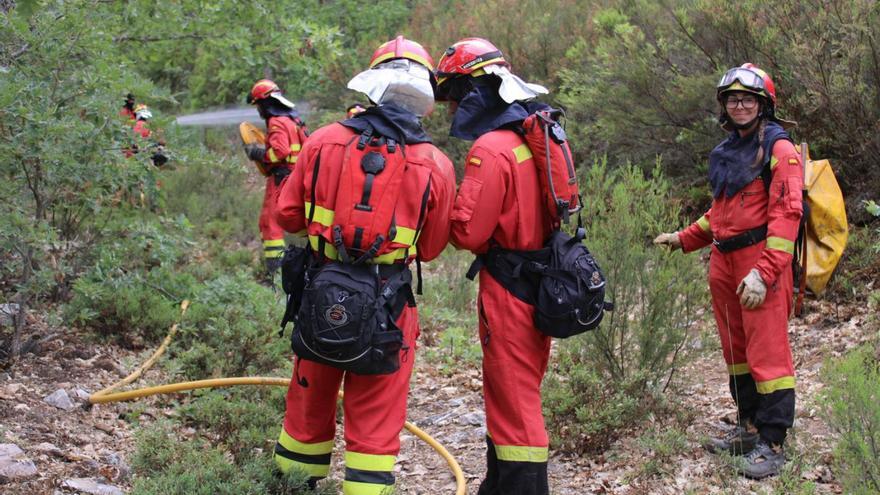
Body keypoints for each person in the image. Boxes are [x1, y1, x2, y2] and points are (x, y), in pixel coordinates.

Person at [272, 36, 455, 494]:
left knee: (308, 403)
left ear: (372, 84)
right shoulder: (436, 163)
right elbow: (431, 249)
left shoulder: (322, 141)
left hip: (321, 289)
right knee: (376, 415)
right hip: (389, 301)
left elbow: (287, 215)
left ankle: (295, 486)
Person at [653, 63, 802, 479]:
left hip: (758, 264)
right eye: (733, 98)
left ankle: (773, 442)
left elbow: (788, 215)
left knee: (768, 352)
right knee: (736, 352)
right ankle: (749, 425)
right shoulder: (727, 151)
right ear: (724, 104)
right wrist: (683, 238)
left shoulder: (779, 151)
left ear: (763, 104)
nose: (739, 105)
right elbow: (720, 213)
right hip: (724, 263)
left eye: (748, 99)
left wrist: (765, 272)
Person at [434, 37, 558, 495]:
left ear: (472, 94)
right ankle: (500, 483)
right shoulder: (534, 133)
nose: (449, 111)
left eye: (452, 98)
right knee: (514, 388)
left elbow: (469, 233)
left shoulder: (491, 149)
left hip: (508, 287)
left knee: (515, 393)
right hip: (541, 278)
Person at [244, 79, 308, 276]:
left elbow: (280, 152)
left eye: (258, 106)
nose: (259, 111)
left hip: (282, 177)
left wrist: (259, 154)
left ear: (265, 103)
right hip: (298, 176)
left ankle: (275, 271)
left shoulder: (276, 122)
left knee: (269, 223)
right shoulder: (293, 120)